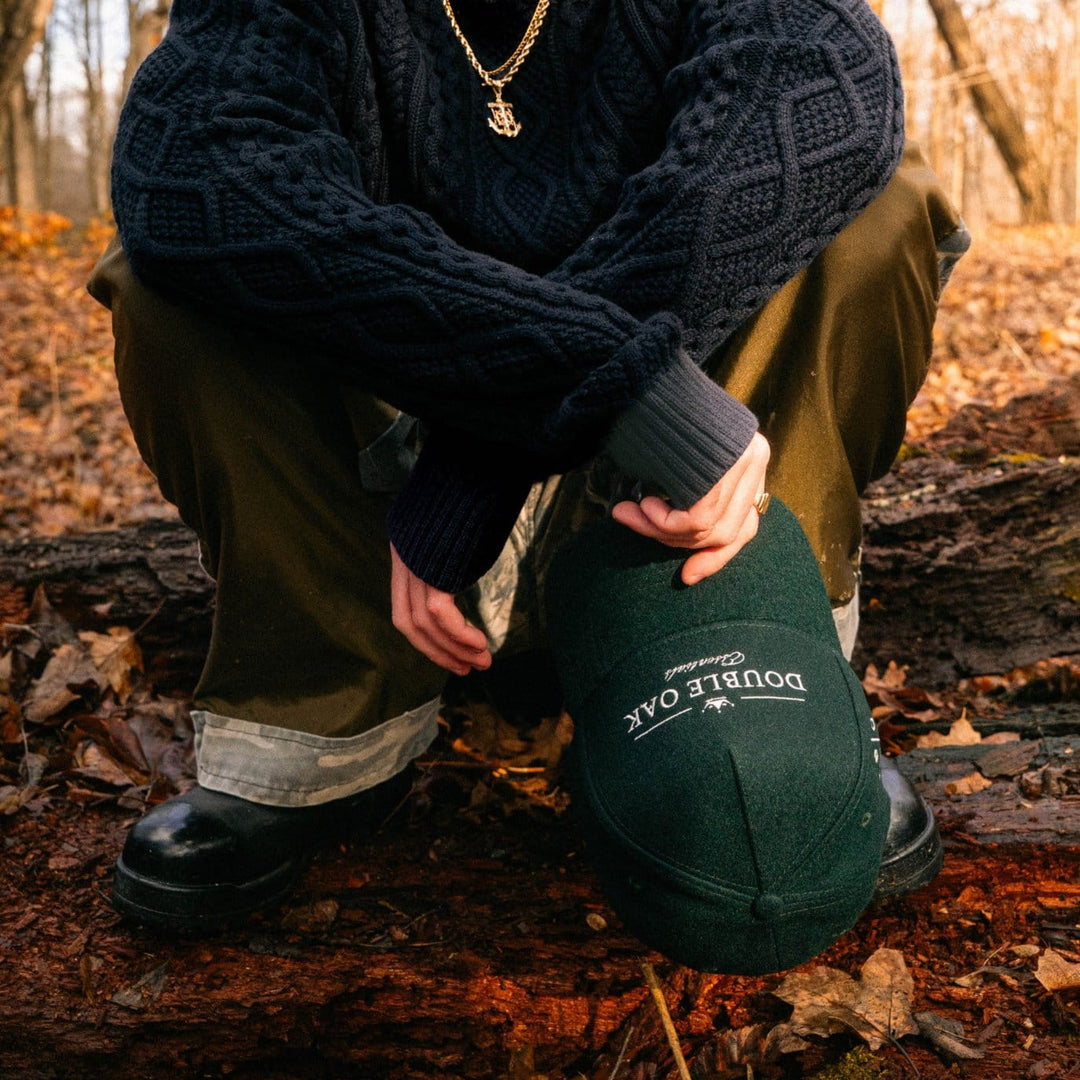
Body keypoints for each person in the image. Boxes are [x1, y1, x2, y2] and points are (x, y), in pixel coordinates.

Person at [89, 0, 968, 938]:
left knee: (874, 208)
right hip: (384, 479)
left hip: (681, 460)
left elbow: (826, 89)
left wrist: (494, 456)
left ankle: (771, 675)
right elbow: (197, 171)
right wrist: (587, 377)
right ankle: (313, 731)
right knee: (168, 275)